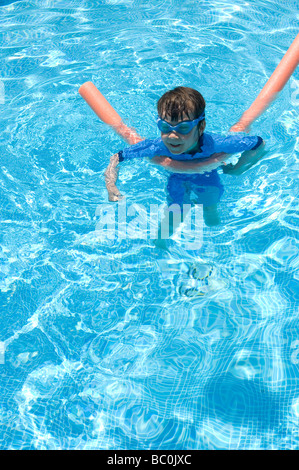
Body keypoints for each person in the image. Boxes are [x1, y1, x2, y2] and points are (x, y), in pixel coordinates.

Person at [105, 87, 265, 240]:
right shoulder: (157, 146)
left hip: (208, 179)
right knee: (174, 215)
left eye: (183, 127)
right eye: (165, 126)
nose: (172, 136)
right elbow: (117, 158)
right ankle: (160, 247)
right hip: (177, 179)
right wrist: (111, 186)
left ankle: (218, 243)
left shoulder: (216, 144)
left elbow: (258, 143)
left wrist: (237, 169)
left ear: (201, 126)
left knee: (210, 210)